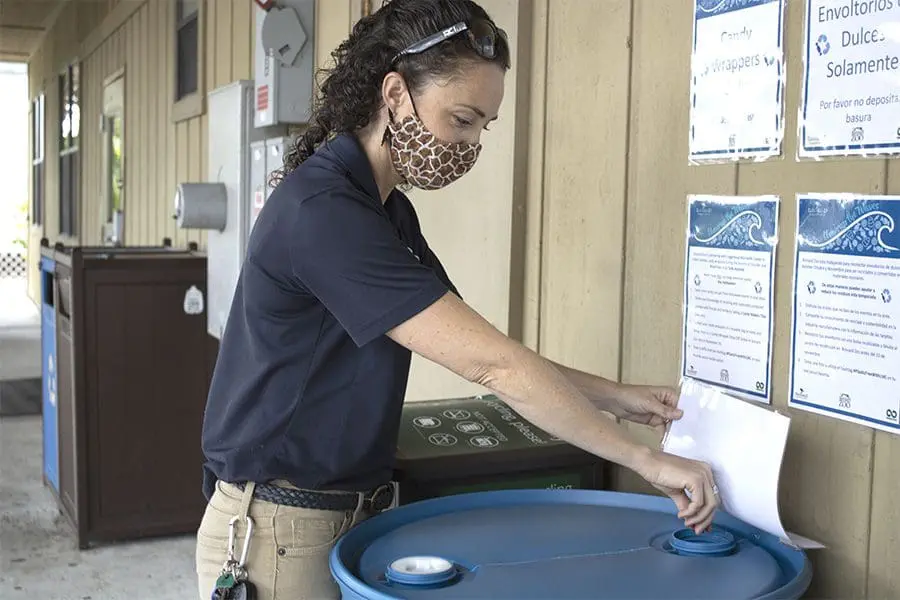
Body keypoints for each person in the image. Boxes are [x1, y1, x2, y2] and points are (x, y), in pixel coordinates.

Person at [195, 0, 720, 598]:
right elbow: (492, 366)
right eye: (462, 119)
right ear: (394, 93)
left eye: (482, 129)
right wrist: (645, 462)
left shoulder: (386, 211)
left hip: (336, 517)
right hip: (279, 531)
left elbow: (489, 351)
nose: (469, 145)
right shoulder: (326, 214)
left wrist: (615, 398)